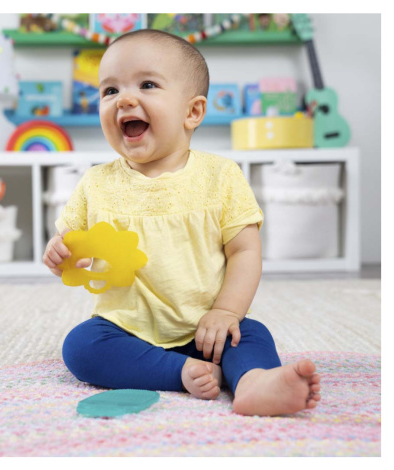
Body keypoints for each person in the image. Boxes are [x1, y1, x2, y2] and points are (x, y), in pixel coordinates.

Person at [43, 29, 321, 416]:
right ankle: (182, 371)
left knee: (251, 334)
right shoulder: (95, 182)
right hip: (127, 328)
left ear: (192, 112)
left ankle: (254, 382)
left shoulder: (221, 176)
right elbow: (73, 248)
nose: (124, 99)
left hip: (207, 328)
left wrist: (226, 312)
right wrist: (60, 254)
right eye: (110, 90)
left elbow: (244, 251)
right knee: (81, 347)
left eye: (147, 84)